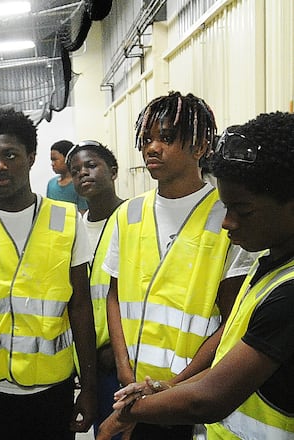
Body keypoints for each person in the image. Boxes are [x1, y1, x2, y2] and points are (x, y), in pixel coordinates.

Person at [97, 111, 294, 440]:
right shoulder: (268, 266)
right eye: (227, 208)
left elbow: (208, 400)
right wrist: (162, 388)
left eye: (242, 210)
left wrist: (125, 415)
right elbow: (227, 361)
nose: (227, 222)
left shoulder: (287, 294)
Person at [0, 108, 97, 440]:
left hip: (53, 390)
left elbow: (81, 307)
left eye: (10, 155)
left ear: (31, 157)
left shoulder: (67, 221)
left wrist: (89, 387)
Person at [66, 140, 125, 439]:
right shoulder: (72, 227)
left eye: (91, 165)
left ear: (113, 171)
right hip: (87, 361)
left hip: (122, 361)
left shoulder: (133, 218)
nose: (83, 173)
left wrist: (119, 349)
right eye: (75, 170)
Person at [47, 139, 88, 212]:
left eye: (55, 160)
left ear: (68, 159)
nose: (52, 164)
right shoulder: (51, 184)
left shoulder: (80, 183)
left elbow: (83, 213)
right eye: (51, 160)